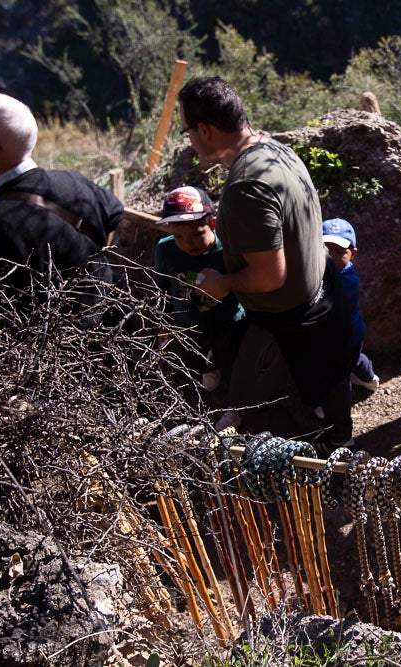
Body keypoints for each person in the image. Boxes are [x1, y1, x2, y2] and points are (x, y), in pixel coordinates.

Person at [177, 75, 356, 449]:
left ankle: (306, 462)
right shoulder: (276, 150)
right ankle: (336, 440)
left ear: (205, 130)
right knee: (329, 385)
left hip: (290, 320)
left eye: (187, 132)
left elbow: (269, 277)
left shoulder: (246, 187)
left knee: (249, 403)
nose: (189, 141)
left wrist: (221, 283)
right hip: (323, 294)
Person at [0, 93, 124, 315]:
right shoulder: (75, 183)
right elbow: (117, 216)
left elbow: (9, 311)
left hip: (64, 343)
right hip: (118, 319)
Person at [152, 186, 247, 394]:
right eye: (179, 236)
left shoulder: (227, 249)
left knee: (231, 363)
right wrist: (166, 323)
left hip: (227, 324)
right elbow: (162, 288)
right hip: (187, 328)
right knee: (190, 368)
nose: (188, 243)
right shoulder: (166, 250)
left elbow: (245, 281)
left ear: (212, 223)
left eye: (196, 234)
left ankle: (233, 403)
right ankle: (196, 400)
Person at [322, 217, 379, 392]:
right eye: (327, 251)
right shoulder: (329, 269)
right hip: (340, 331)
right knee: (352, 359)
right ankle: (368, 377)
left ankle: (336, 404)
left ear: (352, 253)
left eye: (339, 252)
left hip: (346, 334)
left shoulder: (346, 279)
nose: (332, 257)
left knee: (341, 367)